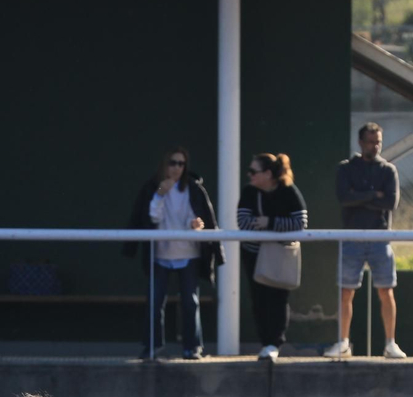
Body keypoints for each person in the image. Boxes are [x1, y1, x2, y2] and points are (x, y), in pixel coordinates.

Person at [124, 147, 222, 360]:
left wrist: (195, 224)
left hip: (188, 254)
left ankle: (192, 348)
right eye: (173, 163)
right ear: (164, 165)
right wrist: (160, 194)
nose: (177, 168)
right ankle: (152, 347)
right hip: (160, 255)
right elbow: (151, 218)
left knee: (190, 301)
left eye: (181, 164)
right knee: (155, 301)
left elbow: (194, 217)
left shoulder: (193, 189)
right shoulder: (152, 188)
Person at [329, 123, 403, 359]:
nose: (375, 146)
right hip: (352, 236)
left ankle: (390, 343)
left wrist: (361, 196)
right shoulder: (346, 168)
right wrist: (374, 195)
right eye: (371, 141)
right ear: (361, 142)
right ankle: (343, 341)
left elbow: (390, 202)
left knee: (386, 290)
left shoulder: (388, 170)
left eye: (378, 141)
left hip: (380, 236)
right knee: (346, 291)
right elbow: (344, 198)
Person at [235, 153, 307, 361]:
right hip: (254, 254)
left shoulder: (288, 191)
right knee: (259, 298)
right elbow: (243, 221)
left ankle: (275, 342)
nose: (249, 175)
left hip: (280, 255)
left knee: (278, 297)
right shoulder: (249, 192)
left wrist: (269, 223)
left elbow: (300, 222)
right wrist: (275, 227)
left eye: (253, 172)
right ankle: (265, 342)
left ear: (268, 174)